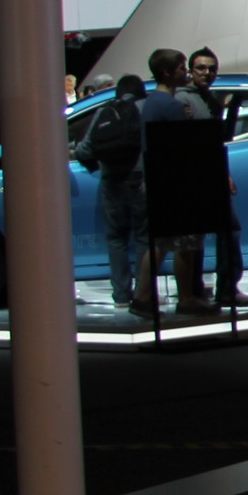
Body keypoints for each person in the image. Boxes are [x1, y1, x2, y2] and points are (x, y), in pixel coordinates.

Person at [138, 48, 218, 314]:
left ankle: (142, 295)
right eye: (182, 69)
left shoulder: (151, 102)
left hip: (157, 181)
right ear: (167, 72)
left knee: (160, 243)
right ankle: (186, 297)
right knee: (186, 244)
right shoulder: (172, 106)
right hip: (178, 184)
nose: (185, 73)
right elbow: (185, 146)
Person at [74, 73, 153, 315]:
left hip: (111, 182)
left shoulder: (106, 111)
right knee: (143, 237)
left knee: (116, 238)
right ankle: (144, 293)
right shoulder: (148, 108)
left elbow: (84, 149)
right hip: (141, 180)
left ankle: (121, 295)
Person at [186, 48, 248, 308]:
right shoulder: (186, 100)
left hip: (212, 176)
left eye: (211, 68)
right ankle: (204, 290)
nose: (207, 73)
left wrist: (224, 174)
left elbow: (216, 143)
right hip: (195, 179)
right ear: (191, 70)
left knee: (224, 232)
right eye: (201, 68)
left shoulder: (209, 99)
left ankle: (221, 288)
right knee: (201, 237)